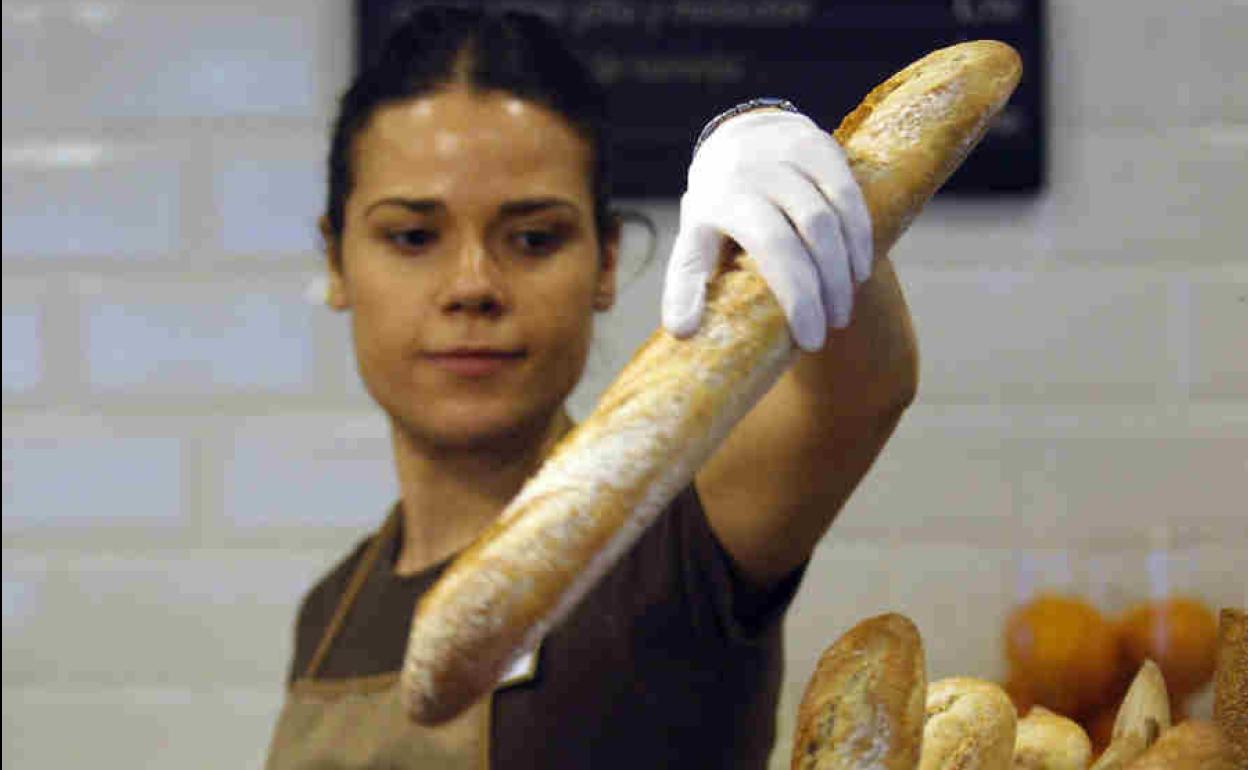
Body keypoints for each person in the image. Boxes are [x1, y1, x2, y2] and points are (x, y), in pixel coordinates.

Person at [264, 5, 917, 769]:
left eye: (535, 238)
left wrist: (771, 141)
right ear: (338, 262)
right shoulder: (331, 612)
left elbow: (858, 393)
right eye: (412, 236)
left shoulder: (679, 537)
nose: (473, 286)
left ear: (606, 264)